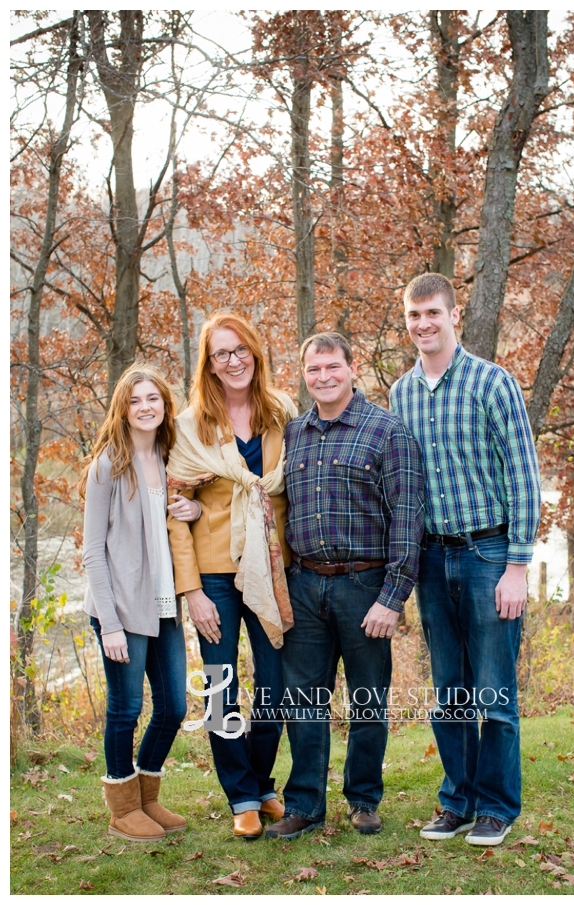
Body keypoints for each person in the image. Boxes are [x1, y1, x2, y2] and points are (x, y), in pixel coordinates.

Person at [389, 273, 541, 847]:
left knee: (495, 691)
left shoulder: (492, 382)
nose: (423, 324)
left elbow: (524, 477)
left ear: (455, 315)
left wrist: (518, 566)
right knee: (449, 690)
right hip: (433, 559)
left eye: (433, 313)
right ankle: (459, 799)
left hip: (488, 554)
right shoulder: (401, 394)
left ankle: (498, 807)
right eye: (413, 316)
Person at [265, 332, 425, 840]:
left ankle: (363, 799)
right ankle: (305, 805)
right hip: (304, 584)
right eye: (314, 369)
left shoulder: (387, 432)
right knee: (302, 700)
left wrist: (392, 598)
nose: (324, 377)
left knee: (368, 700)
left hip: (365, 586)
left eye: (333, 366)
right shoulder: (292, 434)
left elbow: (407, 519)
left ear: (352, 368)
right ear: (305, 375)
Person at [166, 311, 297, 842]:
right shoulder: (190, 425)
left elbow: (292, 490)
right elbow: (177, 513)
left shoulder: (282, 411)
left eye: (240, 349)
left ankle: (264, 785)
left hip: (270, 569)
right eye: (222, 353)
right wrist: (191, 590)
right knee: (222, 688)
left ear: (255, 353)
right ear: (209, 364)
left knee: (275, 685)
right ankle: (240, 795)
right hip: (215, 573)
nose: (234, 360)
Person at [80, 363, 187, 843]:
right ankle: (123, 808)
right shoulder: (107, 464)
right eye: (135, 400)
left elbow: (184, 518)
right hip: (121, 607)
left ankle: (147, 795)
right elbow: (91, 552)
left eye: (153, 399)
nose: (145, 407)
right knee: (125, 708)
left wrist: (196, 507)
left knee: (175, 707)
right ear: (122, 410)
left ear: (165, 406)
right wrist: (110, 625)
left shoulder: (171, 456)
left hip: (165, 603)